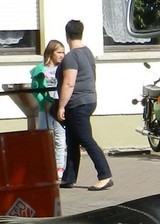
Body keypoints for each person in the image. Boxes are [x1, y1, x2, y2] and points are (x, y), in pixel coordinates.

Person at [56, 19, 112, 190]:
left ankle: (105, 175)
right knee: (72, 140)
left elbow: (69, 83)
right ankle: (68, 177)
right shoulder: (87, 52)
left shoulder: (72, 57)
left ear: (67, 35)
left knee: (86, 140)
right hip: (88, 100)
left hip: (77, 103)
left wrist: (61, 106)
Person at [31, 40, 67, 178]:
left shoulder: (64, 69)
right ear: (51, 53)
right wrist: (43, 102)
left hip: (58, 107)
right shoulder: (40, 70)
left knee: (60, 137)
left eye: (63, 52)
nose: (62, 55)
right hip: (45, 108)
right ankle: (44, 165)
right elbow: (35, 89)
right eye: (59, 52)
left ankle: (59, 167)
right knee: (44, 137)